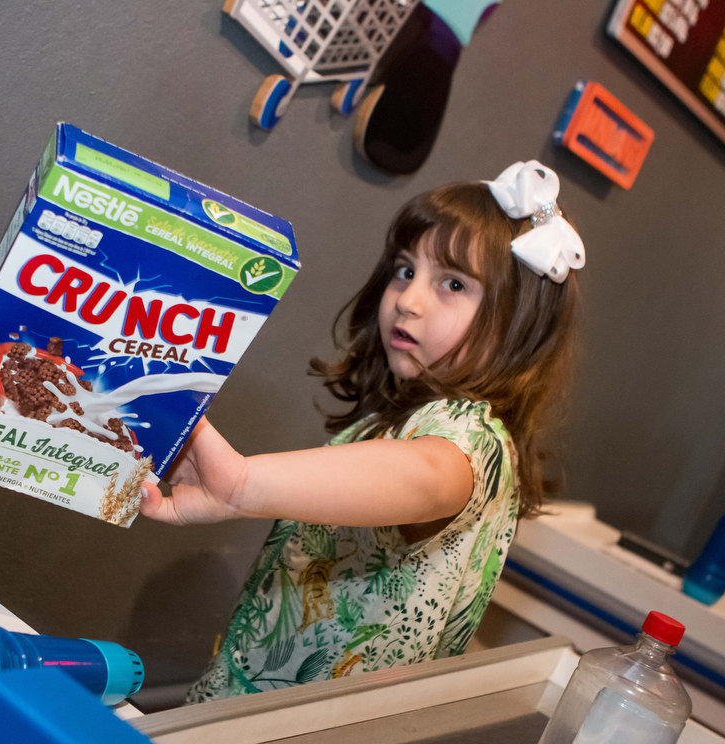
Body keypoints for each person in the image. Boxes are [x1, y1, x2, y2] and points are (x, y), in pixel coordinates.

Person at [140, 160, 584, 704]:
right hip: (255, 706)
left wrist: (239, 485)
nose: (409, 299)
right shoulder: (394, 420)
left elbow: (428, 475)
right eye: (405, 270)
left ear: (520, 321)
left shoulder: (472, 435)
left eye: (452, 283)